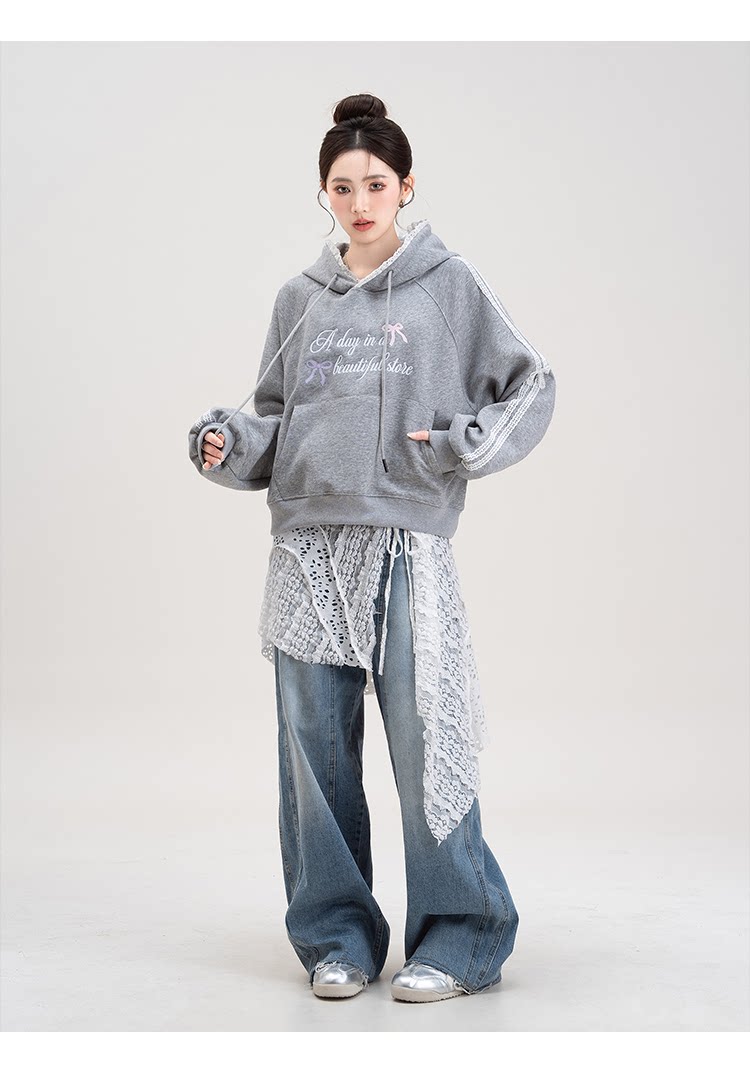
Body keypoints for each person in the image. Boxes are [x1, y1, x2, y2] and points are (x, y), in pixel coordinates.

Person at [187, 92, 556, 1003]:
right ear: (324, 192)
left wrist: (460, 444)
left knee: (428, 741)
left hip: (403, 544)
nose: (360, 203)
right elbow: (275, 417)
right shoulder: (299, 300)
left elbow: (529, 384)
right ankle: (337, 937)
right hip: (308, 551)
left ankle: (462, 934)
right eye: (343, 187)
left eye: (376, 184)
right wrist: (230, 442)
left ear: (407, 187)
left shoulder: (448, 285)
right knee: (313, 755)